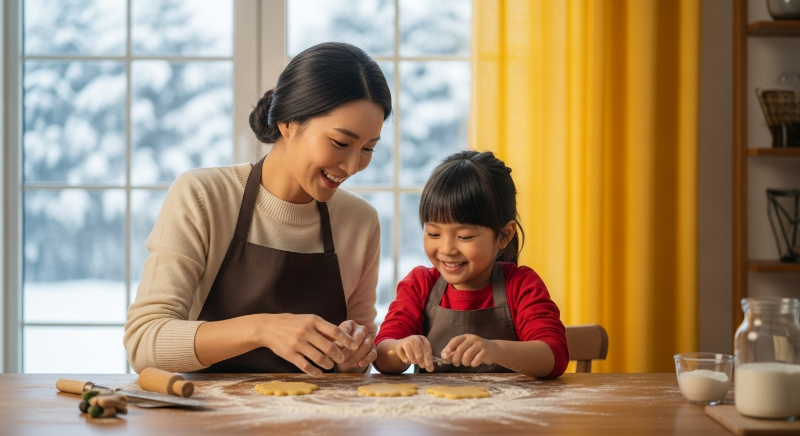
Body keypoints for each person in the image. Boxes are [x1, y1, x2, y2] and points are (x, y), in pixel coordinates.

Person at [124, 42, 392, 375]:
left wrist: (356, 353)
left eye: (368, 148)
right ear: (289, 123)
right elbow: (143, 342)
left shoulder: (360, 222)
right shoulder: (203, 197)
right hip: (205, 417)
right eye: (340, 143)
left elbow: (358, 354)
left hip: (316, 421)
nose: (353, 166)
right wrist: (263, 329)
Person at [373, 150, 568, 377]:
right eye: (434, 234)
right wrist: (400, 349)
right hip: (435, 410)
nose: (446, 249)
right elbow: (382, 353)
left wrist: (497, 350)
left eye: (464, 237)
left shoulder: (520, 284)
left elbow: (554, 355)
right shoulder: (420, 285)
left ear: (504, 235)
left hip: (506, 411)